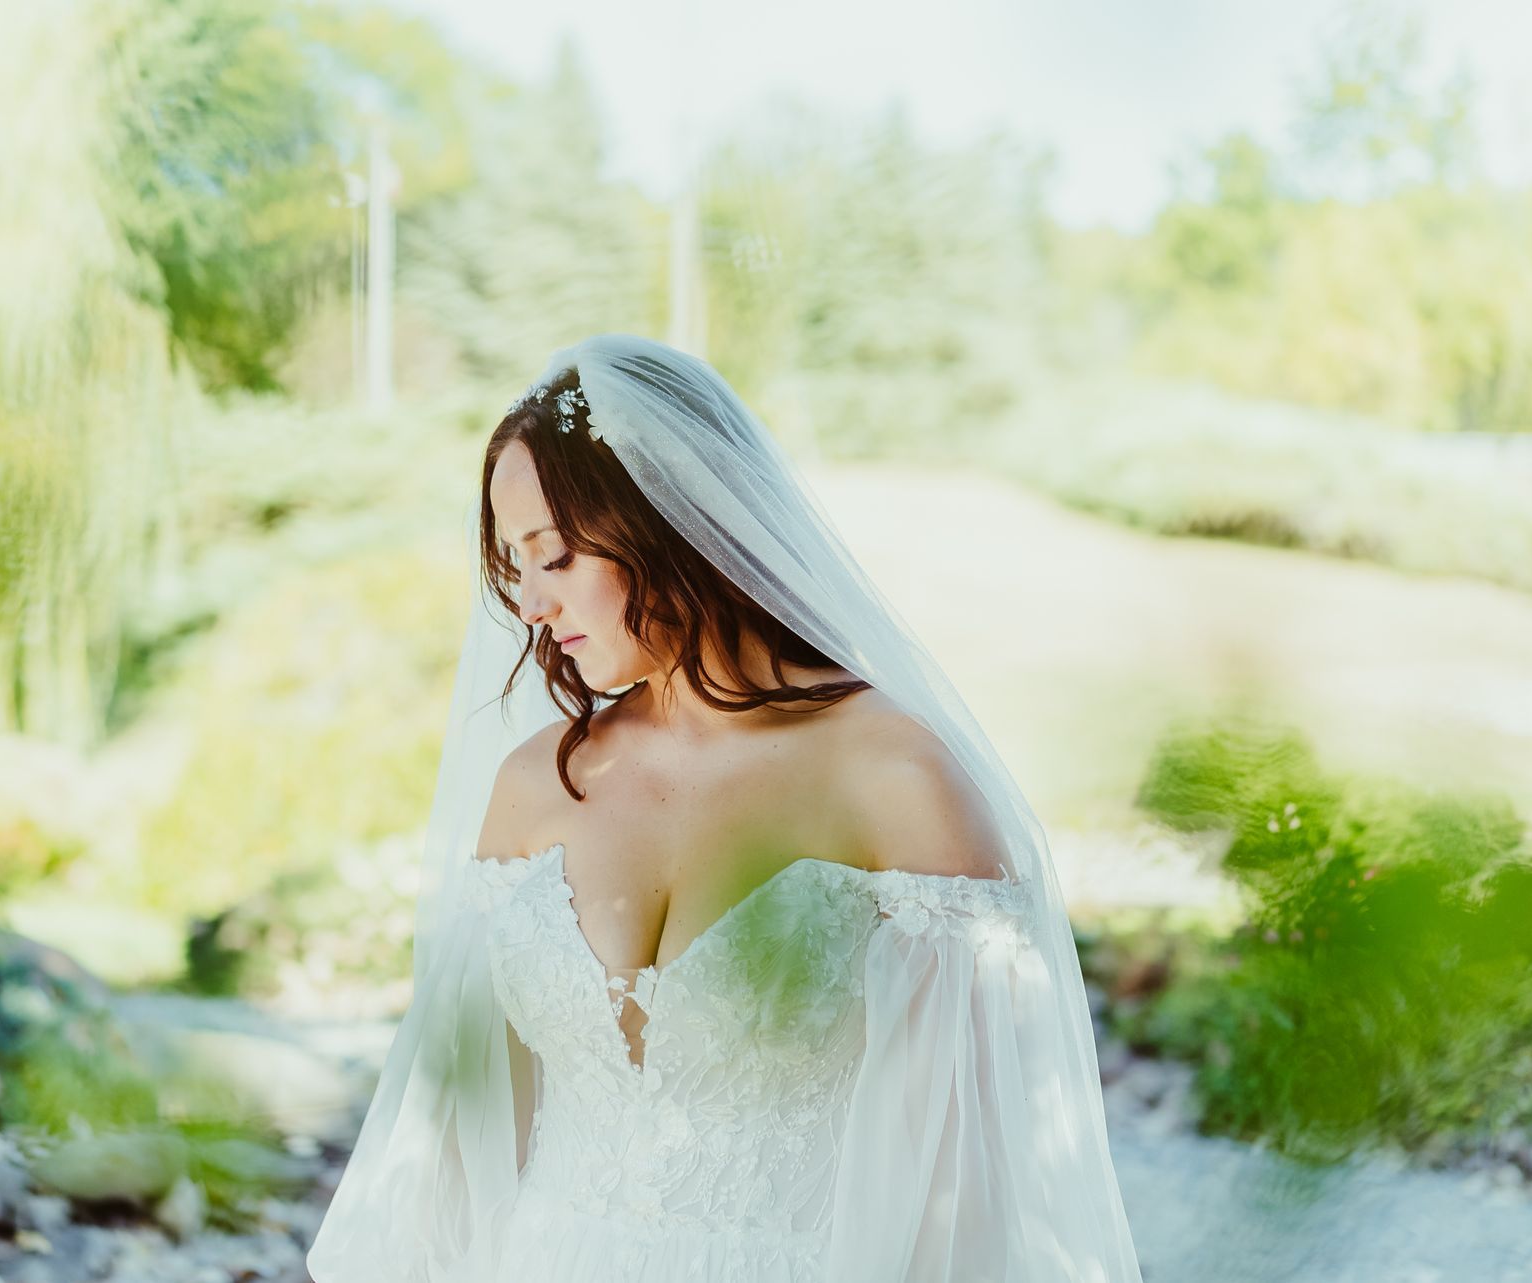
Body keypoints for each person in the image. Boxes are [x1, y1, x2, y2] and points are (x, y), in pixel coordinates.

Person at [306, 334, 1142, 1281]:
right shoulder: (538, 786)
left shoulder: (895, 777)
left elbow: (969, 1194)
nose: (530, 603)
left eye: (556, 556)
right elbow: (456, 1151)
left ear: (671, 518)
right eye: (515, 563)